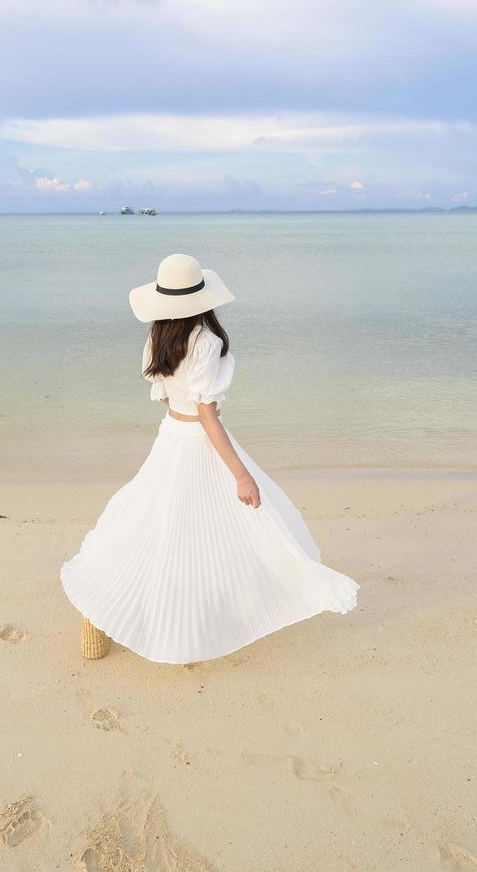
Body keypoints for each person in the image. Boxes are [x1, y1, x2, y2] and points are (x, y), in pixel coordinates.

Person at [60, 253, 359, 664]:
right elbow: (207, 415)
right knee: (222, 525)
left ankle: (105, 604)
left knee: (156, 519)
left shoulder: (157, 337)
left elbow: (165, 395)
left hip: (170, 436)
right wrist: (241, 474)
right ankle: (208, 608)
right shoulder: (208, 341)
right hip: (200, 442)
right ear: (204, 298)